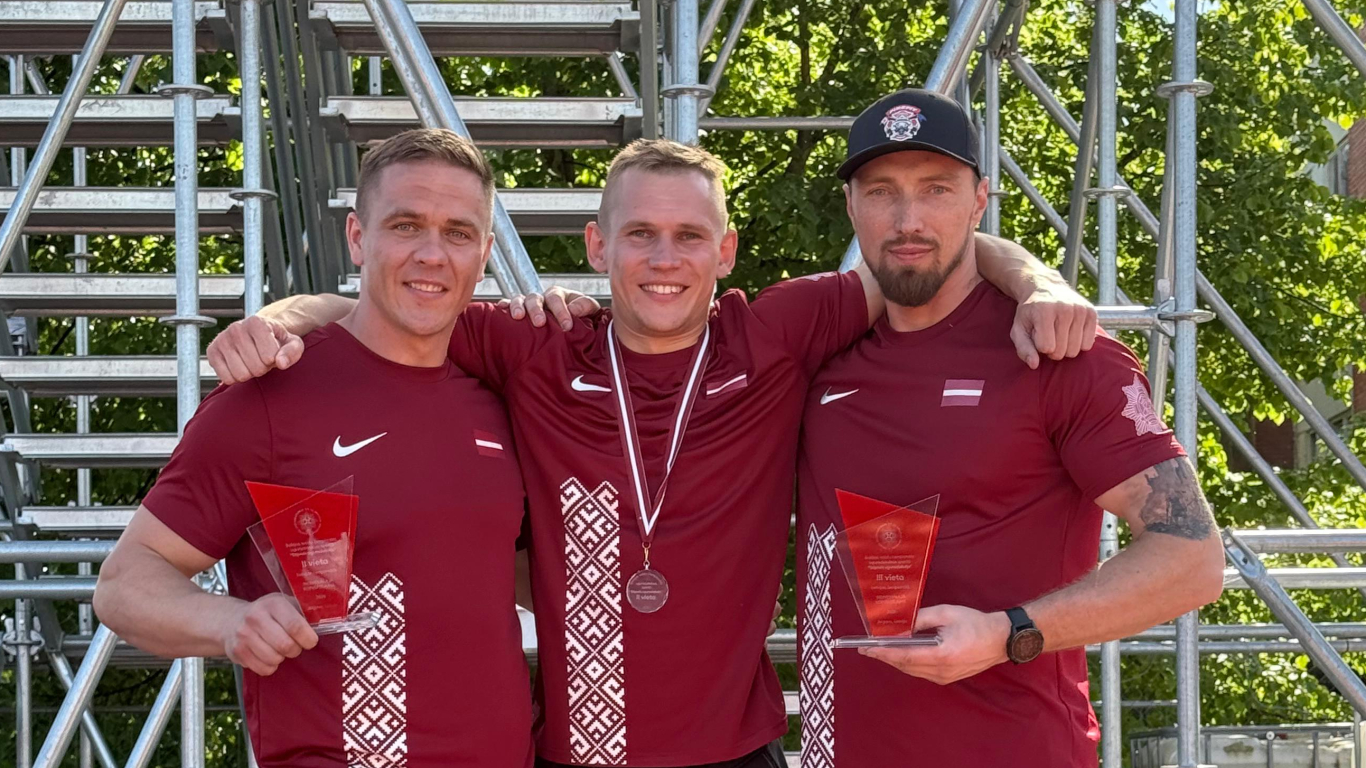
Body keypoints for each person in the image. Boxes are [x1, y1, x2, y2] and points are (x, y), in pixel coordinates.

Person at [205, 138, 1096, 768]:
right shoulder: (532, 346)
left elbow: (924, 246)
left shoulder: (776, 333)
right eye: (639, 234)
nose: (664, 259)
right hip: (571, 752)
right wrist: (281, 320)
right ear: (598, 245)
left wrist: (1040, 281)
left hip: (738, 751)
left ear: (725, 250)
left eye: (688, 236)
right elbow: (391, 309)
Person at [93, 130, 565, 767]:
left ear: (483, 254)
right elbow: (125, 584)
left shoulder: (498, 397)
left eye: (457, 233)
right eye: (405, 225)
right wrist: (230, 623)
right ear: (358, 237)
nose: (432, 254)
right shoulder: (270, 395)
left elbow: (502, 573)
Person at [795, 88, 1225, 768]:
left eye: (936, 189)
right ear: (852, 206)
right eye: (881, 192)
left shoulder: (1061, 353)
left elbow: (1192, 561)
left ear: (979, 200)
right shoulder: (818, 348)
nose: (908, 219)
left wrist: (1009, 633)